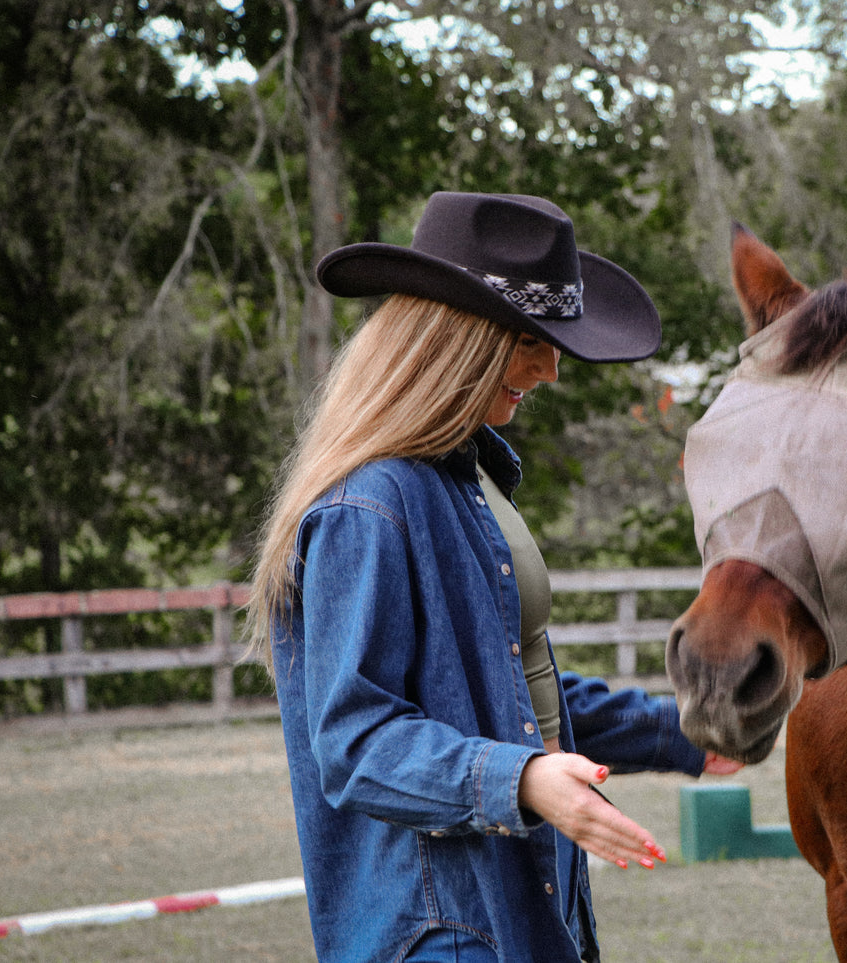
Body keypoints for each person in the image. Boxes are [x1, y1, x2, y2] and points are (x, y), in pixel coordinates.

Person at [246, 192, 741, 963]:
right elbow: (354, 740)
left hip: (517, 911)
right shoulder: (369, 508)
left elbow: (498, 688)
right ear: (454, 342)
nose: (548, 369)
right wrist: (523, 780)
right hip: (443, 932)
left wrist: (678, 732)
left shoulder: (464, 481)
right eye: (526, 340)